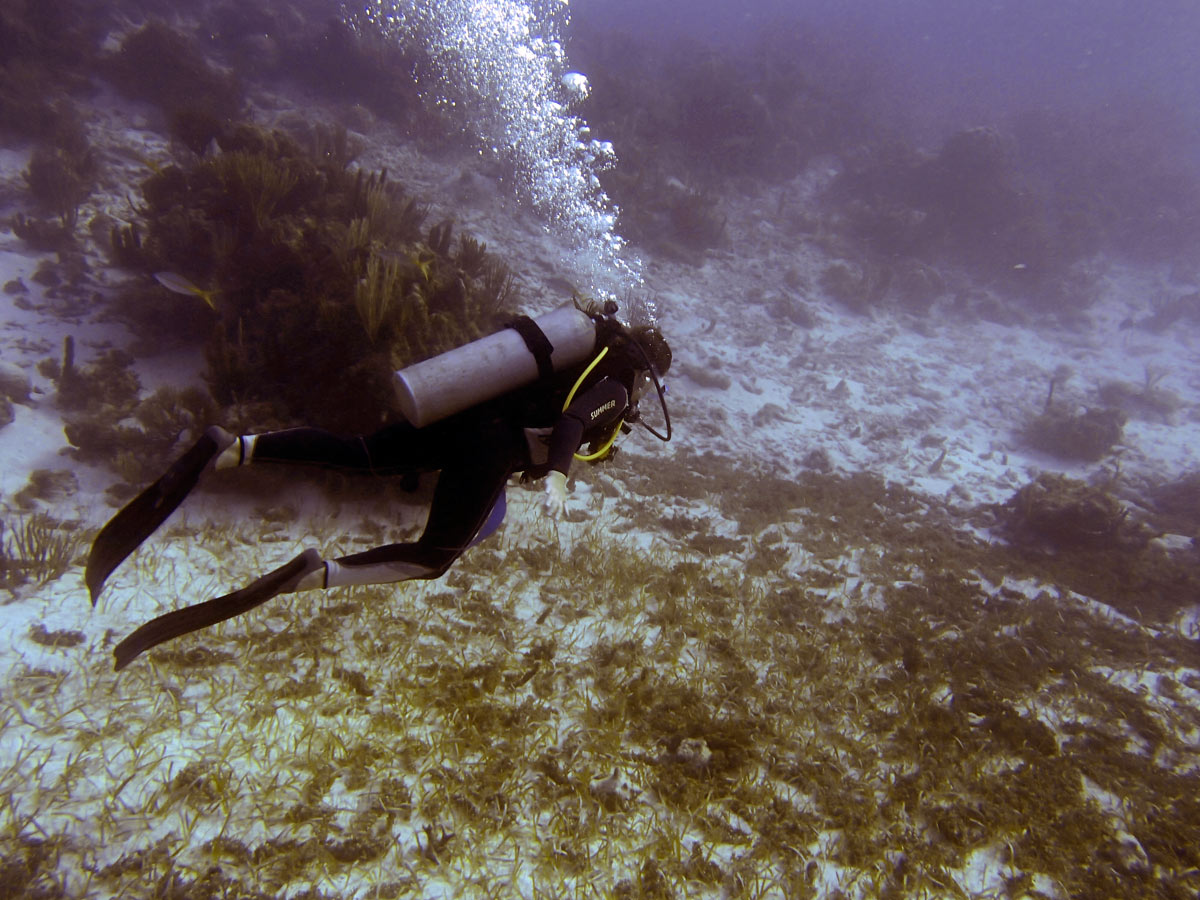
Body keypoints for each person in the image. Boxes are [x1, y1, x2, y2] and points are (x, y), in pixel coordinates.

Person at [87, 301, 672, 670]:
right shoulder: (617, 387)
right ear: (644, 371)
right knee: (433, 558)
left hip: (460, 419)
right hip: (489, 448)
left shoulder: (579, 350)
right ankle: (314, 574)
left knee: (358, 454)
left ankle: (236, 449)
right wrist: (559, 479)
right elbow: (572, 423)